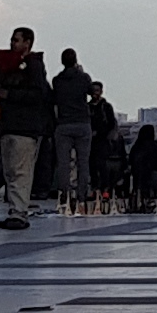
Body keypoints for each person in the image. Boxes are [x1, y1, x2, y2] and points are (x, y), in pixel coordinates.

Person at [0, 27, 53, 228]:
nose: (12, 44)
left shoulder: (33, 65)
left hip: (26, 127)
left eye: (16, 40)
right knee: (11, 172)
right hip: (10, 125)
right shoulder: (13, 66)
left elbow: (39, 95)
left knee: (20, 171)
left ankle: (18, 212)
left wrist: (10, 95)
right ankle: (15, 209)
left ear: (27, 42)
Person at [49, 46, 97, 217]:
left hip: (63, 124)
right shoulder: (83, 78)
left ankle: (64, 195)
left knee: (64, 163)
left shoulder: (57, 80)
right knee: (83, 162)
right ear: (76, 60)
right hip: (82, 123)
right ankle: (82, 195)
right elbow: (93, 93)